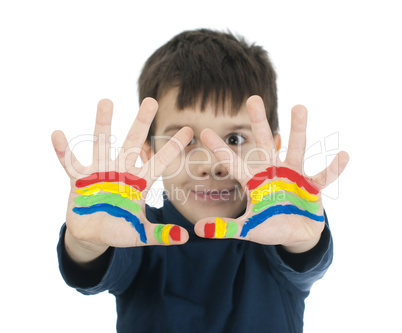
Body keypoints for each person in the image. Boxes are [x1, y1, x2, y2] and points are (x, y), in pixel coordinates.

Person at [52, 29, 349, 333]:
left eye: (234, 139)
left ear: (271, 152)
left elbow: (302, 256)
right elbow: (94, 266)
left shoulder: (276, 240)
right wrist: (85, 243)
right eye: (187, 139)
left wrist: (303, 240)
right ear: (149, 153)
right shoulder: (136, 232)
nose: (210, 164)